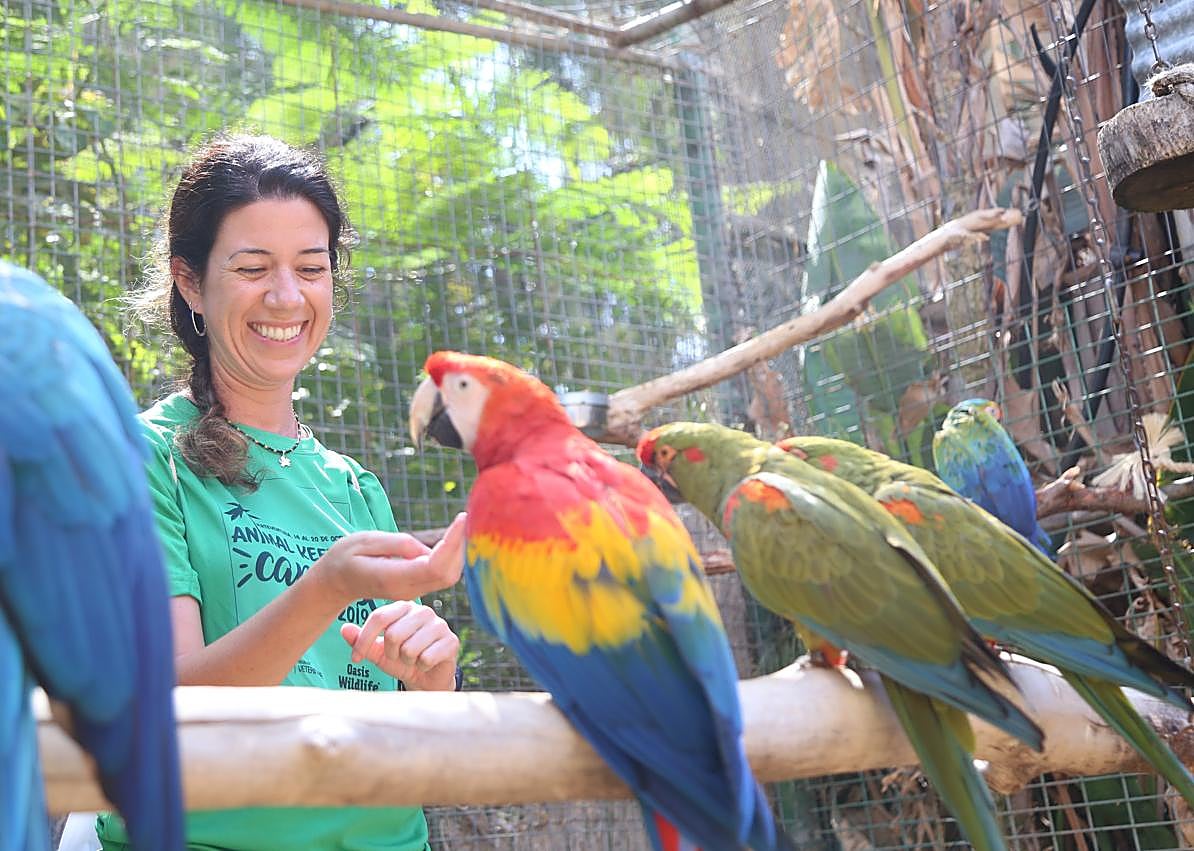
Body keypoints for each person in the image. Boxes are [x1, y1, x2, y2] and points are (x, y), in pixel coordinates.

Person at [94, 133, 468, 851]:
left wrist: (433, 679)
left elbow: (413, 735)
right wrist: (325, 589)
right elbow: (166, 710)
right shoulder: (139, 458)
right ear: (190, 282)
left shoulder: (355, 488)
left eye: (311, 267)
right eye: (253, 267)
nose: (287, 296)